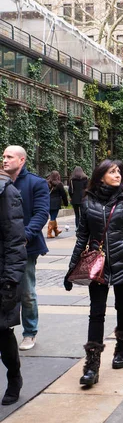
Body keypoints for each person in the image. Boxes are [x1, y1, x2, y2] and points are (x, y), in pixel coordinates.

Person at [64, 159, 123, 387]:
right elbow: (82, 236)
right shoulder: (88, 201)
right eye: (112, 172)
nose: (117, 175)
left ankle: (121, 347)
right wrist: (71, 268)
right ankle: (92, 365)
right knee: (96, 312)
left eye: (119, 171)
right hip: (97, 264)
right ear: (101, 176)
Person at [3, 145, 49, 351]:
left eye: (9, 157)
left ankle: (30, 332)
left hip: (25, 247)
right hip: (3, 246)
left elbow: (41, 214)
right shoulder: (2, 182)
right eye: (3, 156)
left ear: (22, 160)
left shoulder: (36, 183)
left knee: (26, 291)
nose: (4, 160)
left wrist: (25, 238)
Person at [0, 169, 27, 405]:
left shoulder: (7, 193)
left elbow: (15, 241)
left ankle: (14, 376)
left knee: (2, 332)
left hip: (2, 275)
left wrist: (10, 280)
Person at [47, 170, 68, 238]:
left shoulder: (47, 183)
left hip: (48, 202)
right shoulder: (59, 184)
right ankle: (49, 232)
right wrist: (66, 203)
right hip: (56, 203)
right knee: (53, 217)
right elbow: (63, 194)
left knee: (53, 216)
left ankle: (56, 231)